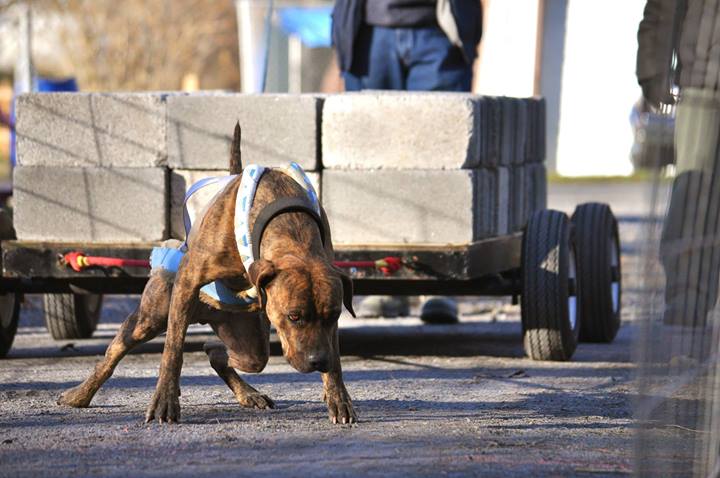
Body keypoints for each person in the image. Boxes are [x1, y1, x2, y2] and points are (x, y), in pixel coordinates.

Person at [331, 0, 483, 321]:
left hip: (439, 29)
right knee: (370, 163)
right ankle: (382, 280)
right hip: (369, 33)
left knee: (441, 162)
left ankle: (437, 285)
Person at [637, 0, 720, 328]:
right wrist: (653, 69)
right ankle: (688, 299)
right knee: (695, 190)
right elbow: (663, 6)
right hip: (705, 82)